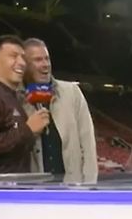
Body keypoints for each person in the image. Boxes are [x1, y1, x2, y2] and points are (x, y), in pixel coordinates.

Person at [0, 35, 49, 175]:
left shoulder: (14, 97)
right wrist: (28, 130)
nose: (21, 62)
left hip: (12, 187)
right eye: (13, 56)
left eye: (23, 57)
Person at [21, 38, 98, 183]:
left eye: (47, 59)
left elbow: (88, 144)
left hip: (71, 188)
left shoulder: (72, 92)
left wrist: (89, 184)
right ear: (24, 65)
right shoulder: (18, 98)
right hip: (37, 191)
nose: (45, 65)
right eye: (38, 60)